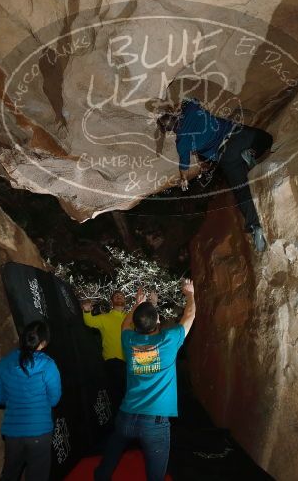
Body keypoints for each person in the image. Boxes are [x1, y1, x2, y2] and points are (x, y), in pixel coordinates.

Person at [94, 280, 197, 481]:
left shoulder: (129, 340)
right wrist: (190, 293)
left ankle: (101, 476)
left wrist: (137, 303)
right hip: (154, 424)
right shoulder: (169, 340)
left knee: (112, 453)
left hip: (127, 415)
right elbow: (190, 315)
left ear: (136, 324)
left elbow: (125, 324)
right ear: (158, 320)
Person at [157, 98, 273, 252]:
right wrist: (178, 107)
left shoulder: (182, 142)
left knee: (241, 190)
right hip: (238, 135)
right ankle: (251, 152)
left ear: (171, 130)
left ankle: (254, 226)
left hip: (226, 156)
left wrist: (184, 180)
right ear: (175, 117)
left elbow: (183, 166)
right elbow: (191, 99)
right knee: (266, 139)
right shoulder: (190, 111)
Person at [0, 321, 61, 481]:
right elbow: (54, 399)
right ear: (43, 343)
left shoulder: (4, 363)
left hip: (13, 433)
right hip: (39, 431)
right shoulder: (48, 365)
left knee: (10, 474)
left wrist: (13, 400)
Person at [82, 291, 128, 412]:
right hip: (113, 363)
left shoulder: (130, 318)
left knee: (130, 399)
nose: (119, 297)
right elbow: (89, 321)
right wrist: (87, 311)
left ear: (125, 301)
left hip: (131, 363)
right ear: (112, 301)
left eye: (121, 296)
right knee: (118, 400)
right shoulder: (105, 317)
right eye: (116, 296)